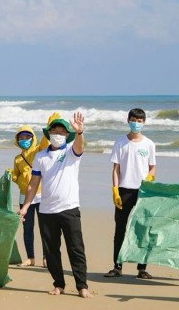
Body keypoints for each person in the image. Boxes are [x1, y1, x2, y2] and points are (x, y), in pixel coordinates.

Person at [19, 112, 90, 297]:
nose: (58, 134)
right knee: (51, 251)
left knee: (75, 248)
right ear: (49, 133)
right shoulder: (41, 156)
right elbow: (33, 183)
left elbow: (79, 146)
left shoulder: (70, 152)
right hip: (46, 210)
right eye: (54, 130)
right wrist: (26, 206)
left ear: (67, 135)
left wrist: (80, 132)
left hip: (69, 208)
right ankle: (59, 284)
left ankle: (82, 286)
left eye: (62, 131)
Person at [106, 107, 157, 279]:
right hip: (124, 191)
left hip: (143, 192)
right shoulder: (120, 142)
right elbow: (115, 169)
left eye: (140, 121)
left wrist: (149, 180)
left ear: (144, 123)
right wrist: (115, 190)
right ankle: (117, 266)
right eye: (133, 120)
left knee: (143, 229)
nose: (136, 123)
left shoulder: (149, 144)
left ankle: (142, 268)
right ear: (128, 121)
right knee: (120, 229)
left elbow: (152, 167)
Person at [9, 119, 53, 267]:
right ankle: (30, 258)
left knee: (44, 228)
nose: (24, 140)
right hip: (24, 196)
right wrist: (15, 177)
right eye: (21, 138)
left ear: (33, 138)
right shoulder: (17, 159)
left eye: (27, 137)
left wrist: (48, 129)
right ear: (17, 140)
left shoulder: (39, 150)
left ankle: (47, 257)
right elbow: (16, 176)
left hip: (41, 195)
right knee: (27, 229)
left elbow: (46, 143)